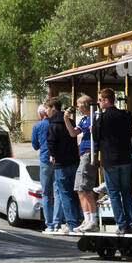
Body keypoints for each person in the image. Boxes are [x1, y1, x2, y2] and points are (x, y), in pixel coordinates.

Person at [92, 88, 132, 235]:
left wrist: (94, 129)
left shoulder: (102, 119)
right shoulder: (125, 115)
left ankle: (122, 224)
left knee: (114, 193)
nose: (98, 103)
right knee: (126, 192)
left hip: (110, 159)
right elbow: (130, 133)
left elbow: (96, 138)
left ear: (106, 100)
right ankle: (131, 223)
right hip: (125, 157)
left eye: (100, 100)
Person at [44, 98, 82, 233]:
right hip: (73, 161)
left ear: (53, 108)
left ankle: (72, 223)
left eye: (47, 108)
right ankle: (78, 220)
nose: (46, 112)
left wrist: (52, 155)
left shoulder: (52, 125)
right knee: (76, 193)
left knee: (65, 194)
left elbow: (51, 143)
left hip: (61, 164)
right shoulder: (70, 121)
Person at [30, 105, 59, 233]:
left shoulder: (37, 126)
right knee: (58, 191)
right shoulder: (56, 123)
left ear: (41, 114)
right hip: (58, 159)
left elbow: (35, 145)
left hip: (45, 160)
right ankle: (58, 222)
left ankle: (50, 224)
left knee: (46, 193)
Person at [73, 94, 99, 231]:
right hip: (82, 155)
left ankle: (93, 221)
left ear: (84, 105)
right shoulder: (83, 119)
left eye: (79, 105)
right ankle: (87, 219)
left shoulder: (95, 117)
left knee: (86, 188)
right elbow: (73, 133)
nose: (77, 108)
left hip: (90, 153)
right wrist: (66, 119)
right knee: (79, 189)